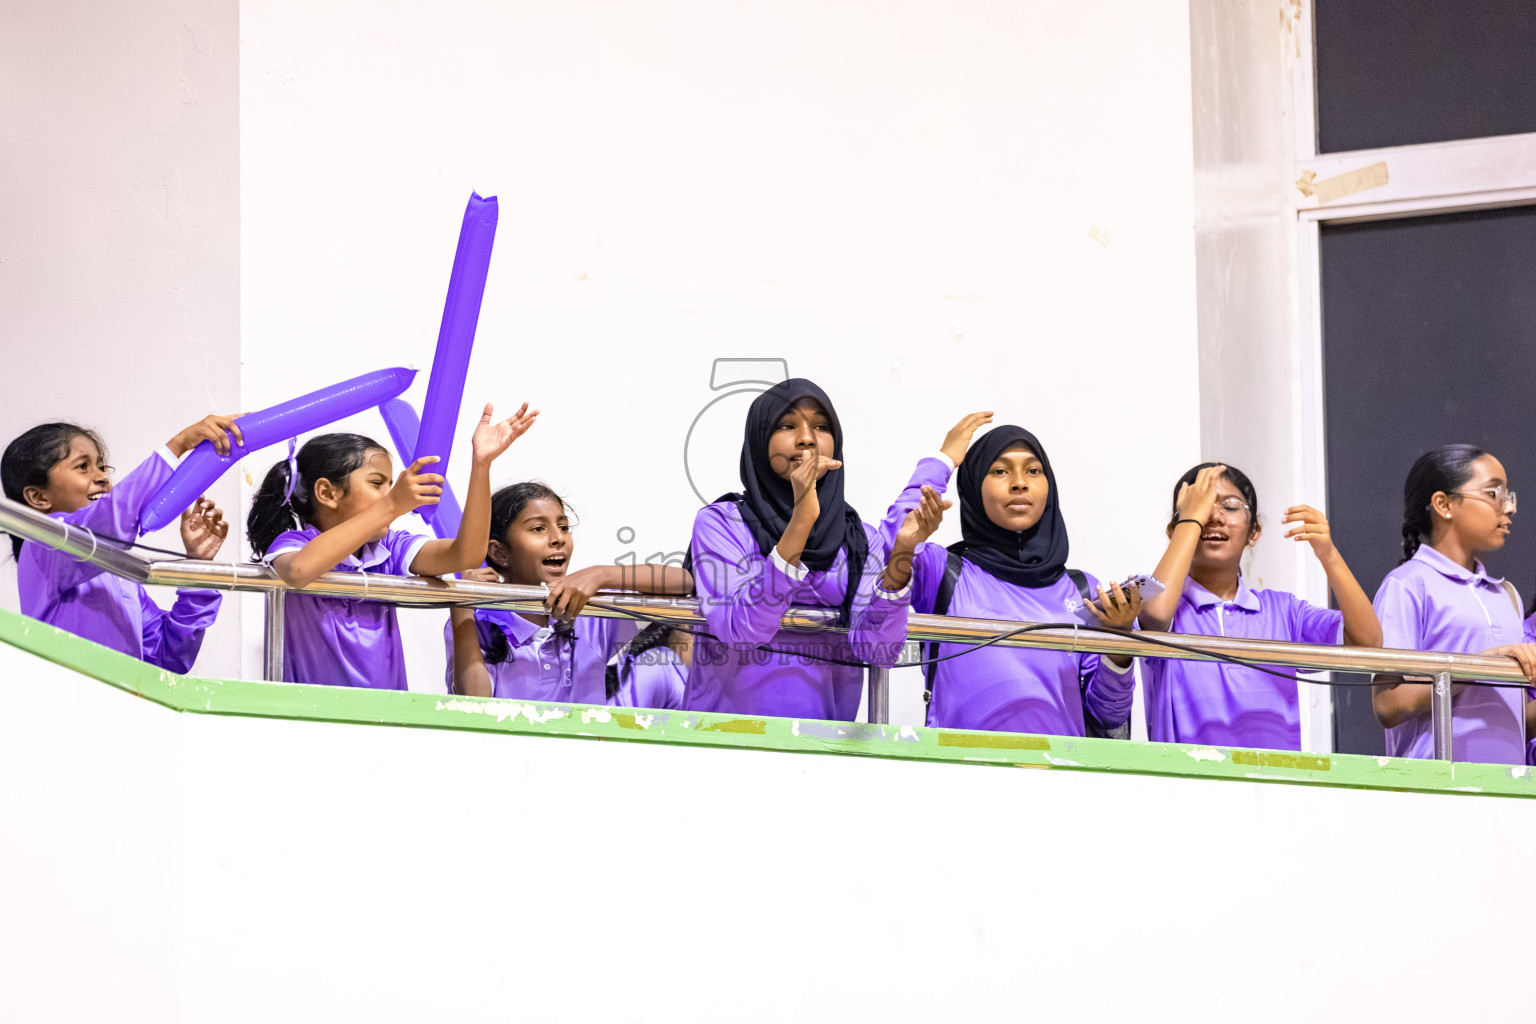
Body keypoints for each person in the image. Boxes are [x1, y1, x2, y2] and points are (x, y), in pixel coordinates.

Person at [878, 414, 1141, 735]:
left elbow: (1106, 717)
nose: (1020, 482)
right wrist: (941, 460)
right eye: (1000, 471)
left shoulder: (1082, 588)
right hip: (957, 774)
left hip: (1061, 776)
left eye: (1033, 470)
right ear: (974, 484)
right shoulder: (943, 571)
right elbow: (888, 547)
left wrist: (1119, 647)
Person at [246, 402, 536, 689]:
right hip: (312, 719)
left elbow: (467, 554)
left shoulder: (390, 548)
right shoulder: (294, 544)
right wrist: (391, 504)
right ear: (327, 493)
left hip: (386, 721)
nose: (391, 493)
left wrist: (481, 464)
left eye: (391, 486)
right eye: (377, 484)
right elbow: (299, 571)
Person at [685, 378, 915, 720]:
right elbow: (743, 630)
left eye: (821, 427)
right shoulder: (721, 523)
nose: (807, 438)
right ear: (761, 441)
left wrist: (901, 557)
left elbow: (878, 649)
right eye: (787, 425)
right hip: (724, 739)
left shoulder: (860, 539)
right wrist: (802, 519)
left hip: (825, 747)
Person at [1137, 462, 1381, 750]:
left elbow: (1369, 643)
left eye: (1229, 506)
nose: (1213, 516)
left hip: (1275, 787)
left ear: (1255, 531)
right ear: (1175, 530)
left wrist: (1328, 555)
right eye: (1201, 507)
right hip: (1188, 786)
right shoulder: (1160, 601)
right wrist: (1190, 520)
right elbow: (1154, 614)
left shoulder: (1284, 612)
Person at [3, 416, 239, 672]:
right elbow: (109, 521)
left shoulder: (117, 573)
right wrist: (178, 445)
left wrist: (197, 566)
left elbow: (168, 656)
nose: (102, 477)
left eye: (102, 467)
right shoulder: (42, 543)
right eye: (83, 467)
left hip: (121, 709)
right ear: (38, 497)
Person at [447, 481, 691, 707]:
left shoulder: (591, 616)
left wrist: (601, 575)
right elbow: (474, 703)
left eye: (563, 527)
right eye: (538, 528)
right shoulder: (476, 623)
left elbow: (682, 582)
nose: (558, 539)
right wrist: (461, 608)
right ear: (500, 553)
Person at [1372, 445, 1536, 762]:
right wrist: (1477, 665)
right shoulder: (1407, 585)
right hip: (1437, 791)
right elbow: (1388, 705)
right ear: (1444, 504)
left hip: (1510, 791)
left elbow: (1514, 723)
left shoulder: (1507, 596)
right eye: (1493, 494)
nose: (1509, 507)